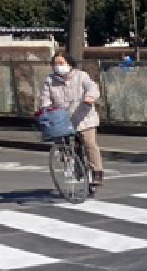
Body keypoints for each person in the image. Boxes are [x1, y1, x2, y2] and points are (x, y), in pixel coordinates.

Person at [38, 53, 104, 188]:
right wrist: (45, 109)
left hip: (84, 117)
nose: (58, 66)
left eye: (61, 63)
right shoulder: (50, 80)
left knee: (89, 143)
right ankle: (77, 168)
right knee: (65, 145)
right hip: (63, 120)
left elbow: (92, 86)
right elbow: (45, 98)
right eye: (55, 64)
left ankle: (97, 171)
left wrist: (90, 97)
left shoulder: (81, 76)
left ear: (69, 63)